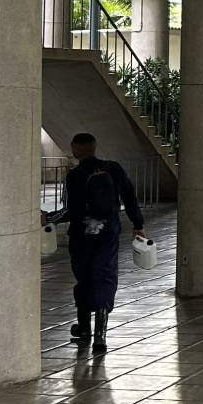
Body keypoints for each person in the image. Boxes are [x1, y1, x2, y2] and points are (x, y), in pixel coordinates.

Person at [65, 133, 143, 354]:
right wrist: (138, 223)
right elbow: (129, 196)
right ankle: (100, 335)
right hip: (108, 232)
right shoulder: (113, 168)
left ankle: (84, 329)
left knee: (84, 277)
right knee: (105, 275)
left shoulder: (75, 175)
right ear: (94, 147)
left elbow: (74, 210)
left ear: (76, 149)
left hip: (82, 235)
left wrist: (49, 218)